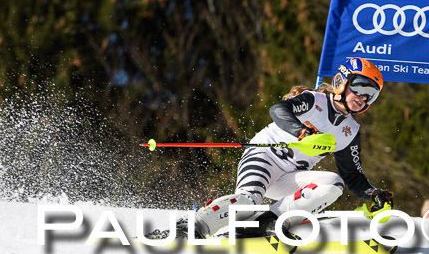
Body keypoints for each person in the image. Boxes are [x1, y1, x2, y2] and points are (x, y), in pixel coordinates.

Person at [158, 57, 394, 239]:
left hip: (290, 178)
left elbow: (352, 175)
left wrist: (373, 193)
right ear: (342, 81)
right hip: (264, 157)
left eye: (371, 94)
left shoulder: (350, 131)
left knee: (333, 184)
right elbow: (278, 110)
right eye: (360, 87)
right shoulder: (315, 101)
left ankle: (268, 222)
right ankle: (193, 225)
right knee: (248, 201)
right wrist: (301, 132)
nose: (363, 97)